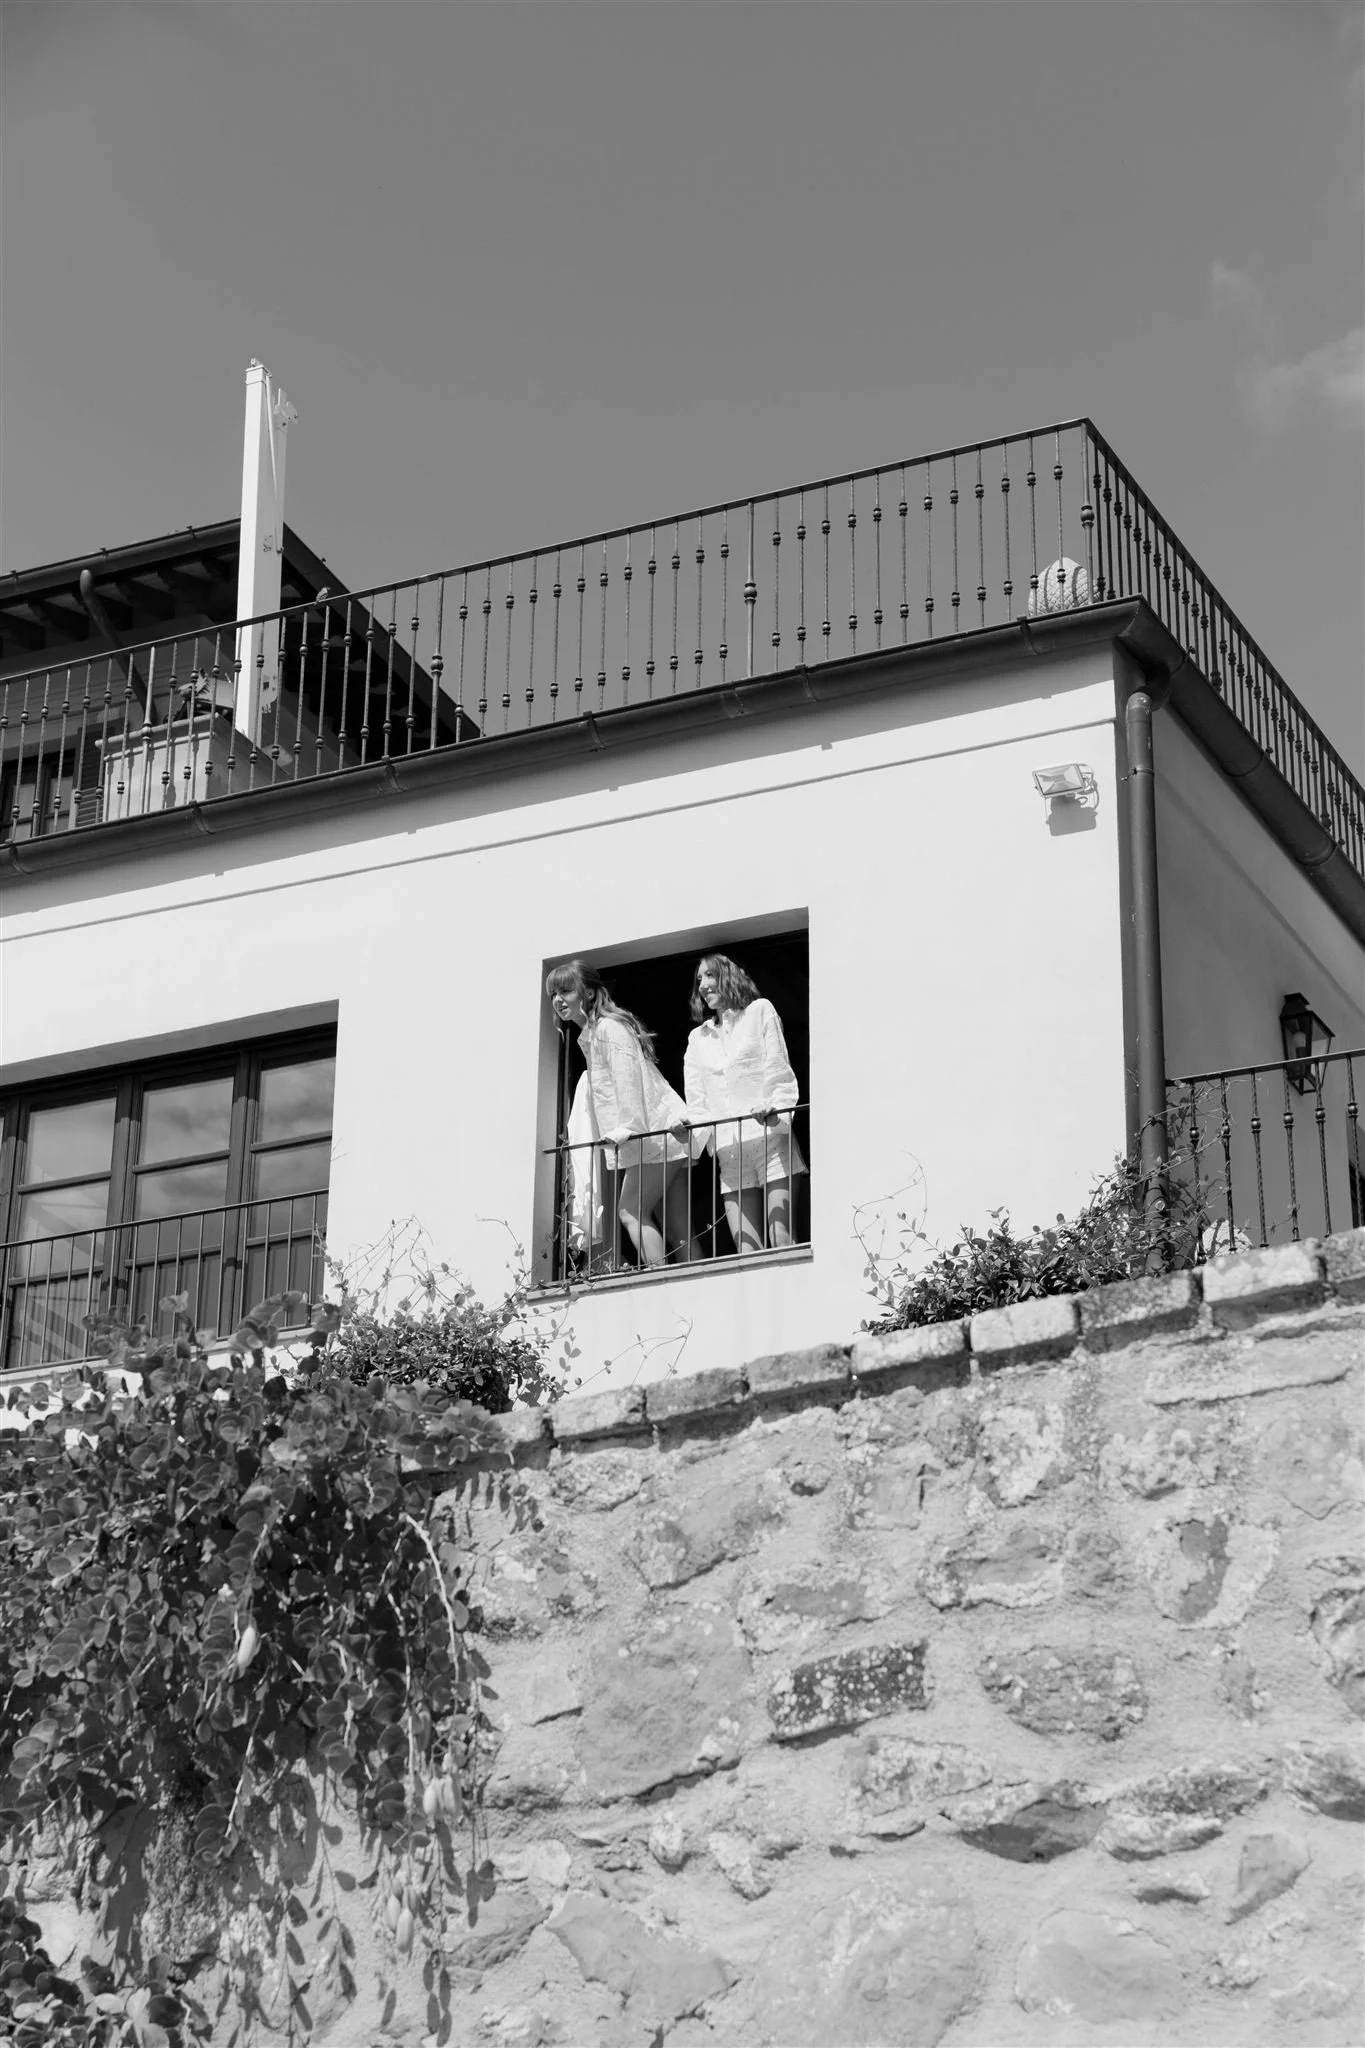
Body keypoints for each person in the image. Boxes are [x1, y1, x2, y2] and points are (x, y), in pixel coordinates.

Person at [546, 961, 700, 1270]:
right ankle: (695, 1283)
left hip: (655, 1134)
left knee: (631, 1211)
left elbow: (627, 1079)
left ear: (588, 992)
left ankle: (660, 1280)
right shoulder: (593, 1034)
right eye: (553, 994)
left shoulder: (606, 1030)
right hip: (663, 1132)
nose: (558, 1000)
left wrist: (629, 1129)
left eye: (566, 990)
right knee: (676, 1225)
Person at [683, 954, 806, 1254]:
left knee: (782, 1242)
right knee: (746, 1252)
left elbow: (779, 1069)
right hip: (729, 1154)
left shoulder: (759, 1012)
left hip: (770, 1142)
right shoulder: (697, 1039)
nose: (703, 985)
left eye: (710, 976)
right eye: (699, 980)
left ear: (728, 976)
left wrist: (775, 1108)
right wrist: (687, 1131)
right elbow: (697, 1102)